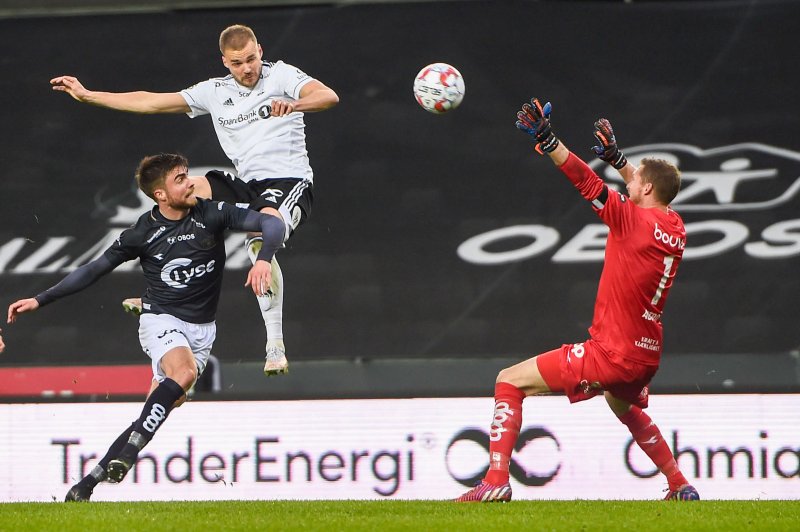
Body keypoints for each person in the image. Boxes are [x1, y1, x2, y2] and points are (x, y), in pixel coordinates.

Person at [50, 24, 339, 376]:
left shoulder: (282, 75)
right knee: (183, 194)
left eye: (251, 59)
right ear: (224, 62)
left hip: (288, 180)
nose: (246, 68)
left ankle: (275, 343)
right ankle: (161, 301)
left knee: (260, 237)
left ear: (260, 51)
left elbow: (327, 96)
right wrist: (89, 95)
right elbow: (150, 101)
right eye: (237, 63)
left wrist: (296, 104)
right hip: (245, 183)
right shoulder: (214, 92)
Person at [455, 98, 698, 503]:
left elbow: (586, 181)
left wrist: (550, 142)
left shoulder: (629, 219)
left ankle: (495, 481)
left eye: (635, 177)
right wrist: (620, 160)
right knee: (623, 404)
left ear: (647, 189)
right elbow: (645, 194)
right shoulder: (674, 224)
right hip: (646, 356)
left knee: (508, 381)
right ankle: (679, 484)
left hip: (612, 352)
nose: (629, 179)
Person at [7, 153, 284, 502]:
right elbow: (93, 269)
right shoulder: (143, 232)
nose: (190, 183)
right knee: (181, 375)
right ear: (161, 195)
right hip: (161, 319)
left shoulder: (211, 213)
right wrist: (41, 299)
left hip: (202, 332)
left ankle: (87, 484)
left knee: (159, 407)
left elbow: (273, 225)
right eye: (180, 179)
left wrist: (263, 259)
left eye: (187, 176)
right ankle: (131, 452)